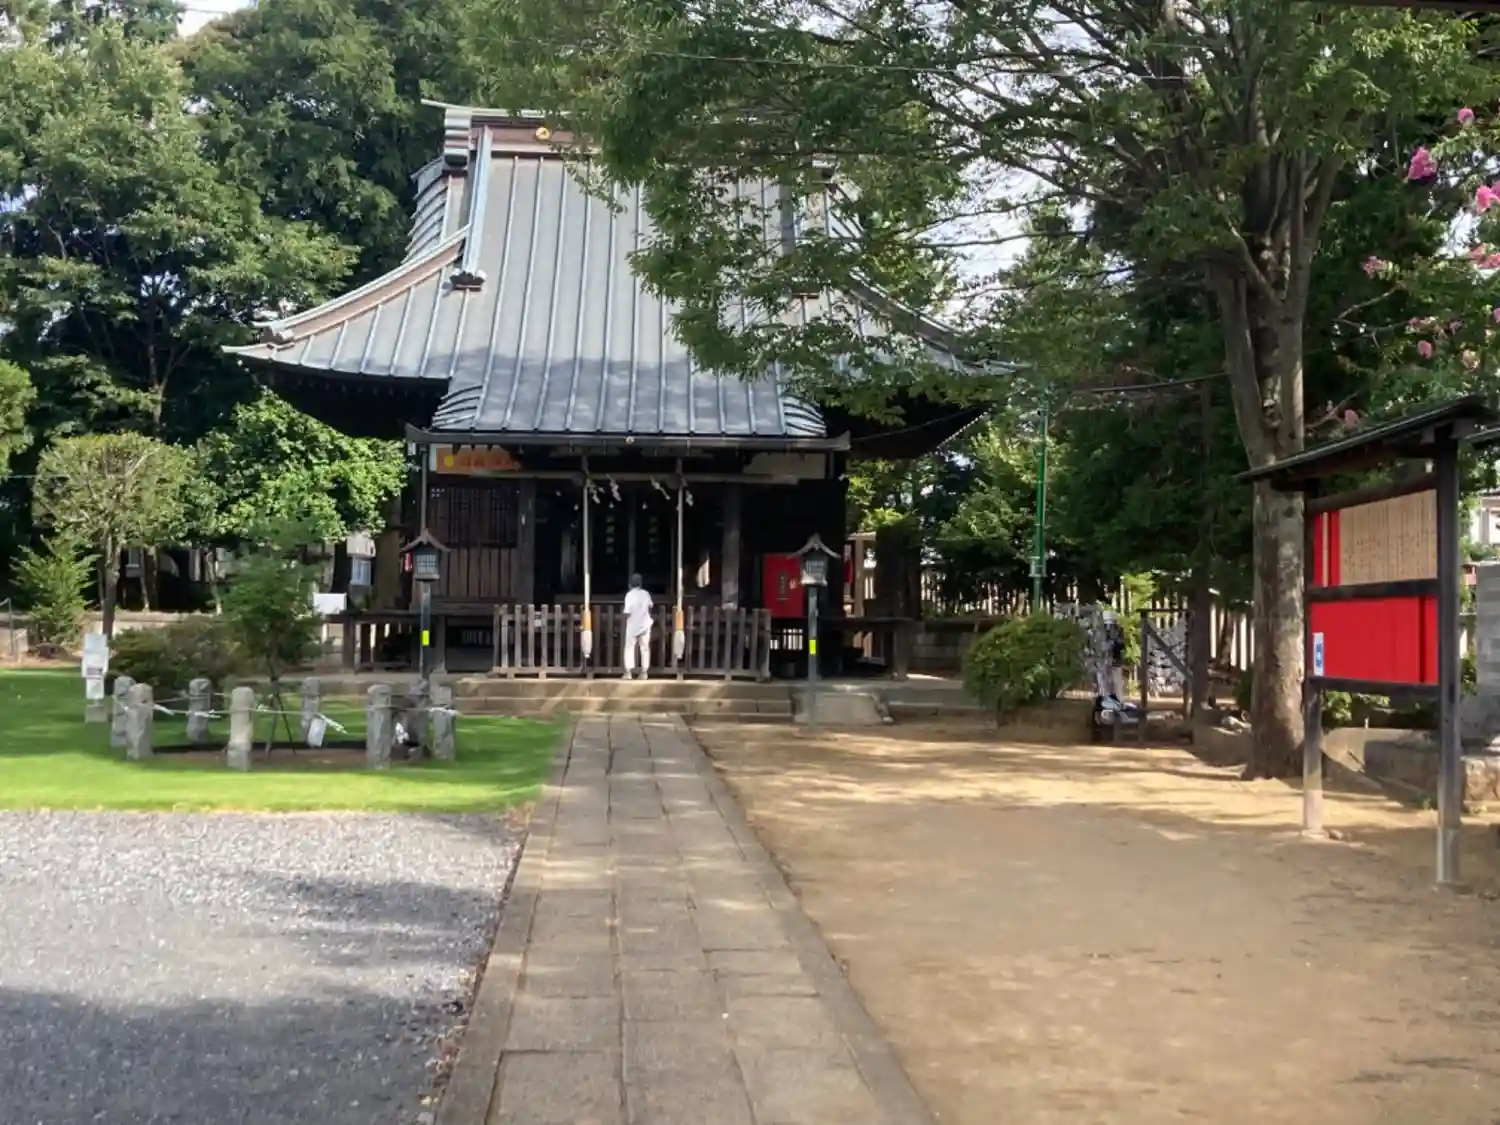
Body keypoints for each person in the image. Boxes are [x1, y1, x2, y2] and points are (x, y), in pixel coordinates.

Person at [622, 573, 653, 680]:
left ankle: (628, 673)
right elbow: (650, 606)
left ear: (630, 584)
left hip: (633, 625)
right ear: (641, 584)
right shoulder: (646, 594)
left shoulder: (629, 595)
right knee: (645, 648)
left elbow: (627, 611)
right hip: (645, 624)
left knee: (629, 648)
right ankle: (644, 672)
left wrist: (623, 618)